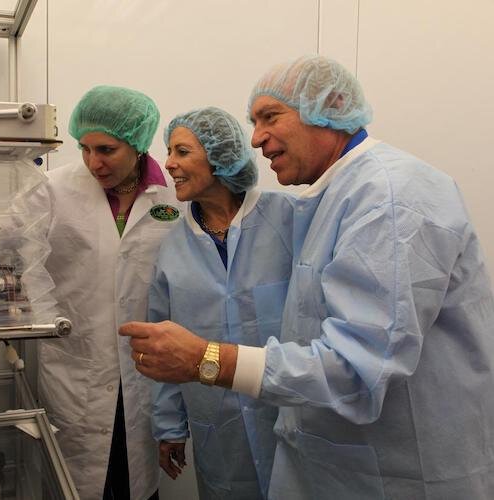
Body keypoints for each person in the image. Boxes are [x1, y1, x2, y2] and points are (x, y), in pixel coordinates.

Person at [120, 55, 494, 499]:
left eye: (270, 117)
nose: (255, 139)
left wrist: (207, 358)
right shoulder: (331, 200)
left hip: (401, 473)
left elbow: (357, 369)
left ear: (332, 105)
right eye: (253, 122)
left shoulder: (389, 199)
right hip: (335, 464)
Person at [33, 85, 184, 499]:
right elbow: (13, 255)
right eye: (84, 148)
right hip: (75, 364)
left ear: (136, 144)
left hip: (146, 369)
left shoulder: (174, 194)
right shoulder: (52, 188)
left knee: (133, 483)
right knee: (77, 483)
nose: (92, 162)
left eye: (106, 149)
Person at [150, 107, 292, 499]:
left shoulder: (288, 220)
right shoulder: (172, 249)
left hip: (290, 420)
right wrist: (170, 427)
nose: (169, 164)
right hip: (217, 428)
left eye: (181, 152)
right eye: (169, 152)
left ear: (220, 156)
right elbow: (163, 343)